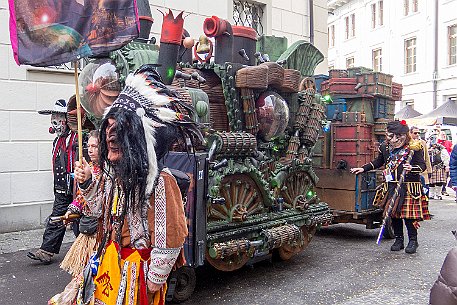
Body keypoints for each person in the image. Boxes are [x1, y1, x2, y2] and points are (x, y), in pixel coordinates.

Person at [72, 65, 201, 304]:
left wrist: (151, 283)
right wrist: (88, 181)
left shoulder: (161, 183)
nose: (111, 135)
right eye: (108, 126)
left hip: (136, 277)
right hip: (109, 267)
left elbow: (170, 239)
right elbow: (99, 211)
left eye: (119, 128)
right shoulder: (114, 178)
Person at [350, 120, 430, 254]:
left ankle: (413, 241)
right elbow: (379, 162)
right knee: (394, 214)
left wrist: (412, 168)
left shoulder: (414, 147)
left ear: (405, 134)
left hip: (409, 186)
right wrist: (363, 169)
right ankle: (399, 240)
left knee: (408, 216)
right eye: (390, 136)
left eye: (397, 136)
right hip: (392, 185)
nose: (394, 139)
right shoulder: (385, 148)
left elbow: (422, 166)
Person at [28, 99, 78, 264]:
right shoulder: (57, 141)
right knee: (56, 218)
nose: (55, 126)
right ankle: (46, 251)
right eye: (53, 122)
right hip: (62, 189)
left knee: (80, 221)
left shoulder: (78, 137)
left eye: (58, 121)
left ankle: (87, 252)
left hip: (78, 189)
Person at [410, 126, 432, 197]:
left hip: (423, 171)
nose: (417, 134)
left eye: (418, 133)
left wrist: (429, 171)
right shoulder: (407, 143)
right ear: (410, 133)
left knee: (425, 195)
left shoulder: (422, 142)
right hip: (412, 173)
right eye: (415, 133)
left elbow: (427, 157)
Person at [428, 135, 450, 200]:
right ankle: (431, 194)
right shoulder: (427, 147)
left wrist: (446, 165)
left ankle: (438, 194)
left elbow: (445, 157)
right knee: (431, 182)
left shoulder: (441, 148)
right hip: (430, 166)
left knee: (439, 182)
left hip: (439, 166)